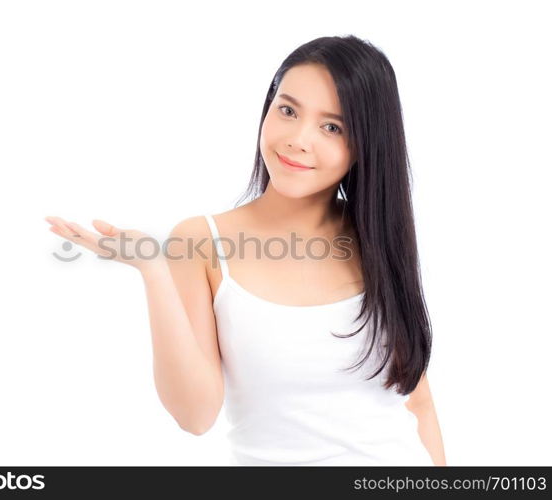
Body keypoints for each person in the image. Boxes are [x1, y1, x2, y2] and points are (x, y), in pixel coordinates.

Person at [45, 34, 446, 466]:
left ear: (365, 144)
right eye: (288, 110)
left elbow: (418, 403)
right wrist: (153, 270)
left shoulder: (376, 234)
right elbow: (195, 416)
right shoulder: (201, 242)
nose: (297, 139)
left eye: (332, 126)